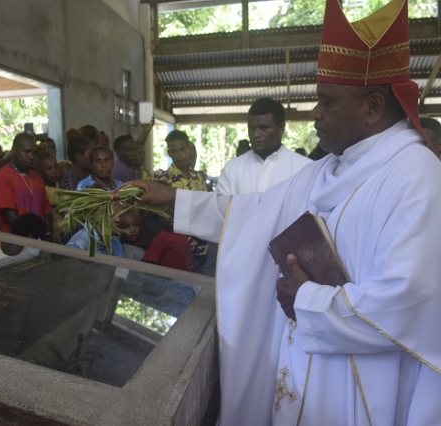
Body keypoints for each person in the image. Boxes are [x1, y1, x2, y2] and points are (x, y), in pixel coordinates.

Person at [128, 0, 441, 424]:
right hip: (304, 366)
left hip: (363, 387)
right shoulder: (331, 168)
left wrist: (307, 299)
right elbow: (251, 213)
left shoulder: (417, 177)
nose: (314, 113)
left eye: (327, 102)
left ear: (372, 108)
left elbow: (410, 302)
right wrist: (171, 200)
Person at [217, 98, 312, 196]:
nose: (256, 134)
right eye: (252, 128)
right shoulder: (231, 169)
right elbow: (221, 209)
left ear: (281, 128)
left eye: (264, 128)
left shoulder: (304, 169)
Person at [155, 130, 208, 272]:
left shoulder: (198, 178)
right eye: (174, 151)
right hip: (179, 246)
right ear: (169, 153)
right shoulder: (163, 180)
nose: (179, 154)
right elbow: (165, 217)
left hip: (202, 245)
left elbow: (207, 208)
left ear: (189, 149)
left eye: (182, 149)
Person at [0, 133, 52, 237]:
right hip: (15, 242)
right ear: (14, 151)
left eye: (34, 153)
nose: (32, 156)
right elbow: (10, 216)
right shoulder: (2, 177)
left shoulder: (36, 176)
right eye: (27, 152)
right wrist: (31, 238)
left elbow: (46, 211)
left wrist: (46, 235)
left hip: (40, 241)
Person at [35, 153, 61, 244]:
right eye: (49, 169)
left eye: (56, 167)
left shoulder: (58, 186)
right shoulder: (46, 191)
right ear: (40, 172)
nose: (54, 171)